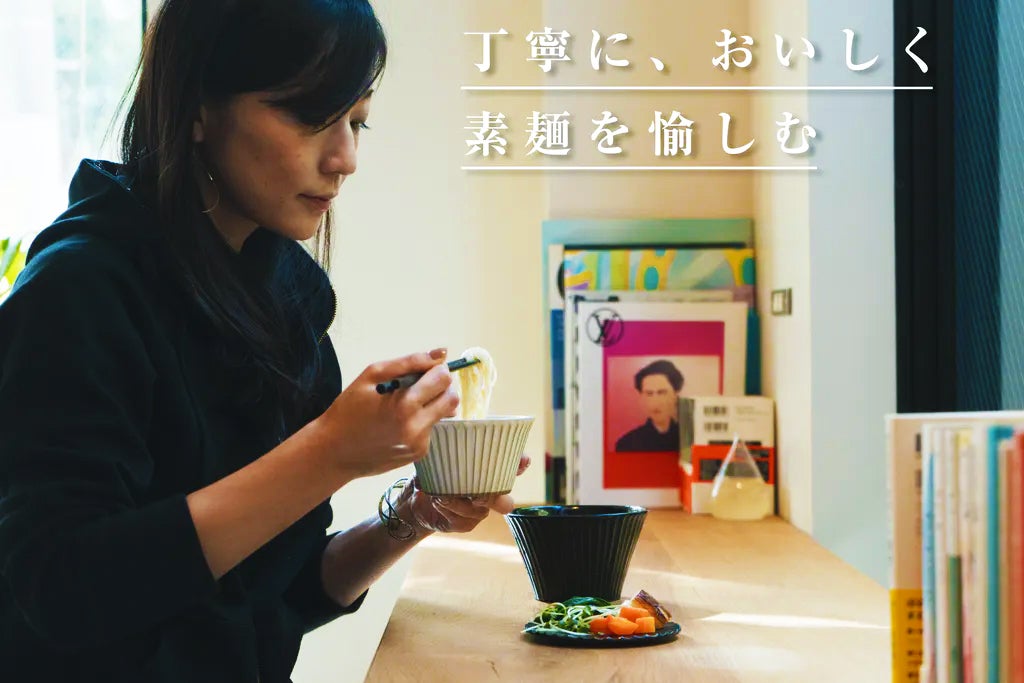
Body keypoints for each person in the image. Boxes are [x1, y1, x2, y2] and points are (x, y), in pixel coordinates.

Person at [0, 1, 528, 681]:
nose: (345, 158)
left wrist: (411, 515)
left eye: (357, 121)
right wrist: (330, 452)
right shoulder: (78, 291)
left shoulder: (284, 297)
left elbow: (277, 594)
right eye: (311, 115)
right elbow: (62, 591)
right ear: (197, 107)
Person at [614, 360, 684, 452]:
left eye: (662, 393)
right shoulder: (627, 444)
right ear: (642, 397)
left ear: (675, 394)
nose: (655, 402)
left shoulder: (687, 439)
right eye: (649, 394)